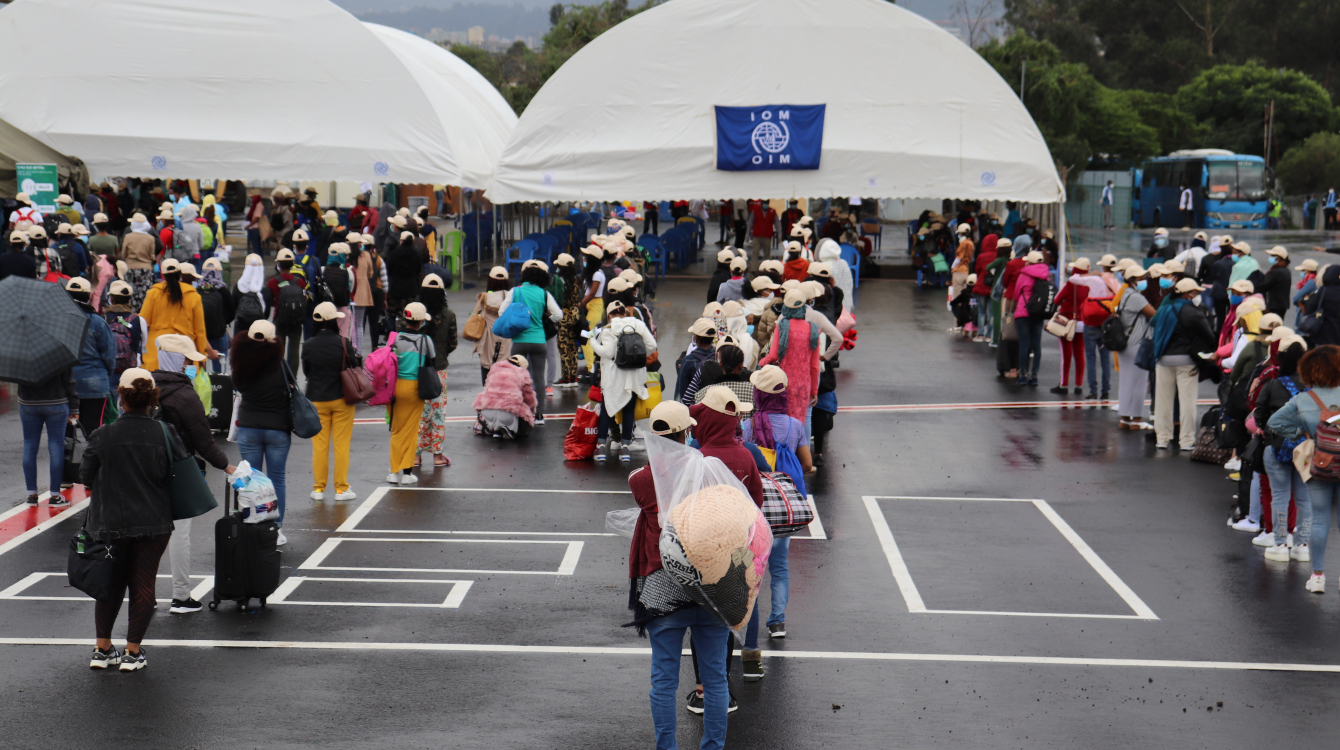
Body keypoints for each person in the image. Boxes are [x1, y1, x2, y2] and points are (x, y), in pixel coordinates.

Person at [630, 402, 731, 746]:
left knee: (663, 681)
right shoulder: (708, 471)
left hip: (662, 590)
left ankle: (667, 746)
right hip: (709, 588)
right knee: (716, 680)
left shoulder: (641, 481)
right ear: (686, 433)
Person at [80, 369, 175, 671]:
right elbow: (177, 474)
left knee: (109, 583)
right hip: (153, 522)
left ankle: (102, 648)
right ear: (152, 399)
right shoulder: (164, 433)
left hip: (109, 524)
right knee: (143, 583)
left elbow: (85, 476)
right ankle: (133, 653)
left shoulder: (103, 435)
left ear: (120, 397)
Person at [151, 335, 236, 615]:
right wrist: (227, 466)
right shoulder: (186, 395)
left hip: (142, 470)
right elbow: (204, 441)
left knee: (145, 535)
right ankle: (180, 596)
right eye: (188, 361)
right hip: (178, 470)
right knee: (179, 535)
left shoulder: (144, 386)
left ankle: (144, 593)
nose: (193, 366)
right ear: (178, 361)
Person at [1267, 344, 1340, 594]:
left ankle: (1318, 576)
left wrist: (1303, 435)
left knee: (1320, 520)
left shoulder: (1302, 399)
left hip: (1319, 461)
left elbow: (1274, 422)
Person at [230, 320, 292, 546]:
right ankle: (276, 529)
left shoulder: (241, 363)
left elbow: (237, 386)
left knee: (251, 479)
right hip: (277, 429)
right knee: (277, 479)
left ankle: (252, 526)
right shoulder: (281, 365)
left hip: (248, 428)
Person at [1254, 336, 1311, 562]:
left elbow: (1260, 417)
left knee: (1279, 496)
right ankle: (1302, 546)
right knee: (1304, 499)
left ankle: (1279, 544)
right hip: (1306, 448)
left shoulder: (1272, 385)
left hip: (1276, 446)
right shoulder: (1315, 388)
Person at [300, 302, 359, 502]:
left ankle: (318, 489)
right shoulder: (343, 342)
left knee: (320, 446)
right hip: (342, 398)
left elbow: (307, 372)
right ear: (335, 320)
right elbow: (355, 365)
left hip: (317, 400)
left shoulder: (308, 345)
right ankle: (341, 489)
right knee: (341, 445)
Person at [1150, 278, 1216, 449]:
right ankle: (1186, 441)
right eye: (1195, 292)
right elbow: (1209, 336)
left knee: (1162, 402)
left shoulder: (1164, 310)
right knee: (1187, 401)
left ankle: (1162, 439)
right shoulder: (1193, 312)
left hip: (1163, 360)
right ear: (1188, 294)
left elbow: (1152, 323)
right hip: (1186, 360)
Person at [591, 300, 657, 462]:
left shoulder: (608, 329)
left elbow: (606, 352)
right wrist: (637, 356)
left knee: (607, 410)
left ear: (609, 317)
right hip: (633, 376)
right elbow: (652, 345)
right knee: (629, 410)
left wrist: (592, 340)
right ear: (624, 313)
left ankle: (600, 448)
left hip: (613, 378)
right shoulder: (638, 325)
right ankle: (626, 448)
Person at [498, 263, 564, 425]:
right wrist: (545, 320)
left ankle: (519, 411)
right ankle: (539, 414)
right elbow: (558, 315)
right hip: (539, 341)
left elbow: (501, 312)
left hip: (519, 341)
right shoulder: (544, 293)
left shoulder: (516, 291)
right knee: (538, 378)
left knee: (518, 378)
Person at [387, 303, 434, 482]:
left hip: (395, 387)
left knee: (397, 429)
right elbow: (432, 364)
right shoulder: (426, 340)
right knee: (411, 430)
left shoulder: (394, 338)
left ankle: (393, 471)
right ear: (421, 321)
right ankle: (407, 473)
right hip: (416, 387)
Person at [138, 258, 211, 371]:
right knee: (185, 385)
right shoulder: (194, 296)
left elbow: (143, 322)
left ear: (163, 275)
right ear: (180, 274)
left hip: (156, 354)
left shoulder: (153, 294)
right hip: (186, 355)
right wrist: (202, 356)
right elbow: (199, 330)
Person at [758, 289, 820, 421]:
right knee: (799, 422)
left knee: (783, 420)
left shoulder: (781, 327)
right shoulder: (813, 330)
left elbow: (773, 355)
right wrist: (814, 391)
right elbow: (814, 366)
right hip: (804, 383)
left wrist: (762, 362)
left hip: (783, 382)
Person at [64, 277, 117, 431]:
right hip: (95, 384)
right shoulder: (98, 322)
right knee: (94, 431)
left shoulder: (59, 321)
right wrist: (105, 376)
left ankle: (66, 455)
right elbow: (109, 356)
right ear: (88, 297)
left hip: (66, 384)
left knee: (66, 432)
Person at [417, 274, 457, 467]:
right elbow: (453, 343)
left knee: (418, 413)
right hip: (438, 370)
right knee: (438, 413)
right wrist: (440, 354)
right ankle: (437, 456)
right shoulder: (449, 315)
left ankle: (415, 456)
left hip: (416, 370)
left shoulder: (415, 314)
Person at [1113, 266, 1157, 429]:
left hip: (1125, 343)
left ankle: (1125, 418)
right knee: (1139, 382)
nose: (1143, 281)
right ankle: (1137, 420)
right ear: (1131, 280)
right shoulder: (1137, 298)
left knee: (1126, 382)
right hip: (1137, 343)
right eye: (1140, 279)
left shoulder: (1125, 294)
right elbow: (1154, 314)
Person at [473, 353, 538, 440]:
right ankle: (509, 429)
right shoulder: (522, 373)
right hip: (508, 412)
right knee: (525, 426)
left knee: (497, 414)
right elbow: (529, 399)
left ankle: (496, 430)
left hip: (487, 411)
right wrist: (532, 411)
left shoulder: (494, 369)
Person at [1050, 258, 1091, 395]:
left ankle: (1064, 385)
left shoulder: (1070, 283)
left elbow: (1056, 299)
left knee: (1066, 355)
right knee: (1080, 354)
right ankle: (1078, 385)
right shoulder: (1090, 284)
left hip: (1067, 322)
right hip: (1082, 322)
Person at [1012, 251, 1050, 387]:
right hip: (1038, 314)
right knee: (1036, 346)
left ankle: (1022, 375)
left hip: (1024, 312)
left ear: (1029, 261)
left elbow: (1016, 295)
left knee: (1024, 345)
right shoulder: (1045, 275)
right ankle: (1034, 376)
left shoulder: (1024, 275)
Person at [470, 266, 514, 385]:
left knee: (487, 372)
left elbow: (474, 316)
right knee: (504, 373)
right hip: (506, 339)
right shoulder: (512, 297)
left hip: (487, 341)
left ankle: (488, 398)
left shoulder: (484, 297)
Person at [195, 257, 234, 375]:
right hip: (219, 334)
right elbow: (232, 313)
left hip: (202, 336)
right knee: (219, 369)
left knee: (201, 368)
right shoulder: (223, 290)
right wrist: (222, 322)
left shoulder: (197, 289)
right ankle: (219, 389)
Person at [552, 253, 583, 387]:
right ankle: (573, 377)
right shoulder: (577, 280)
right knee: (573, 347)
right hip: (575, 314)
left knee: (563, 346)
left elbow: (559, 299)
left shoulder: (560, 281)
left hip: (564, 315)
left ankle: (565, 377)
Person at [1258, 246, 1292, 318]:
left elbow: (1264, 286)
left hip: (1274, 305)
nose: (1270, 258)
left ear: (1279, 258)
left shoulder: (1275, 272)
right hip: (1283, 305)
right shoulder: (1286, 271)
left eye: (1272, 256)